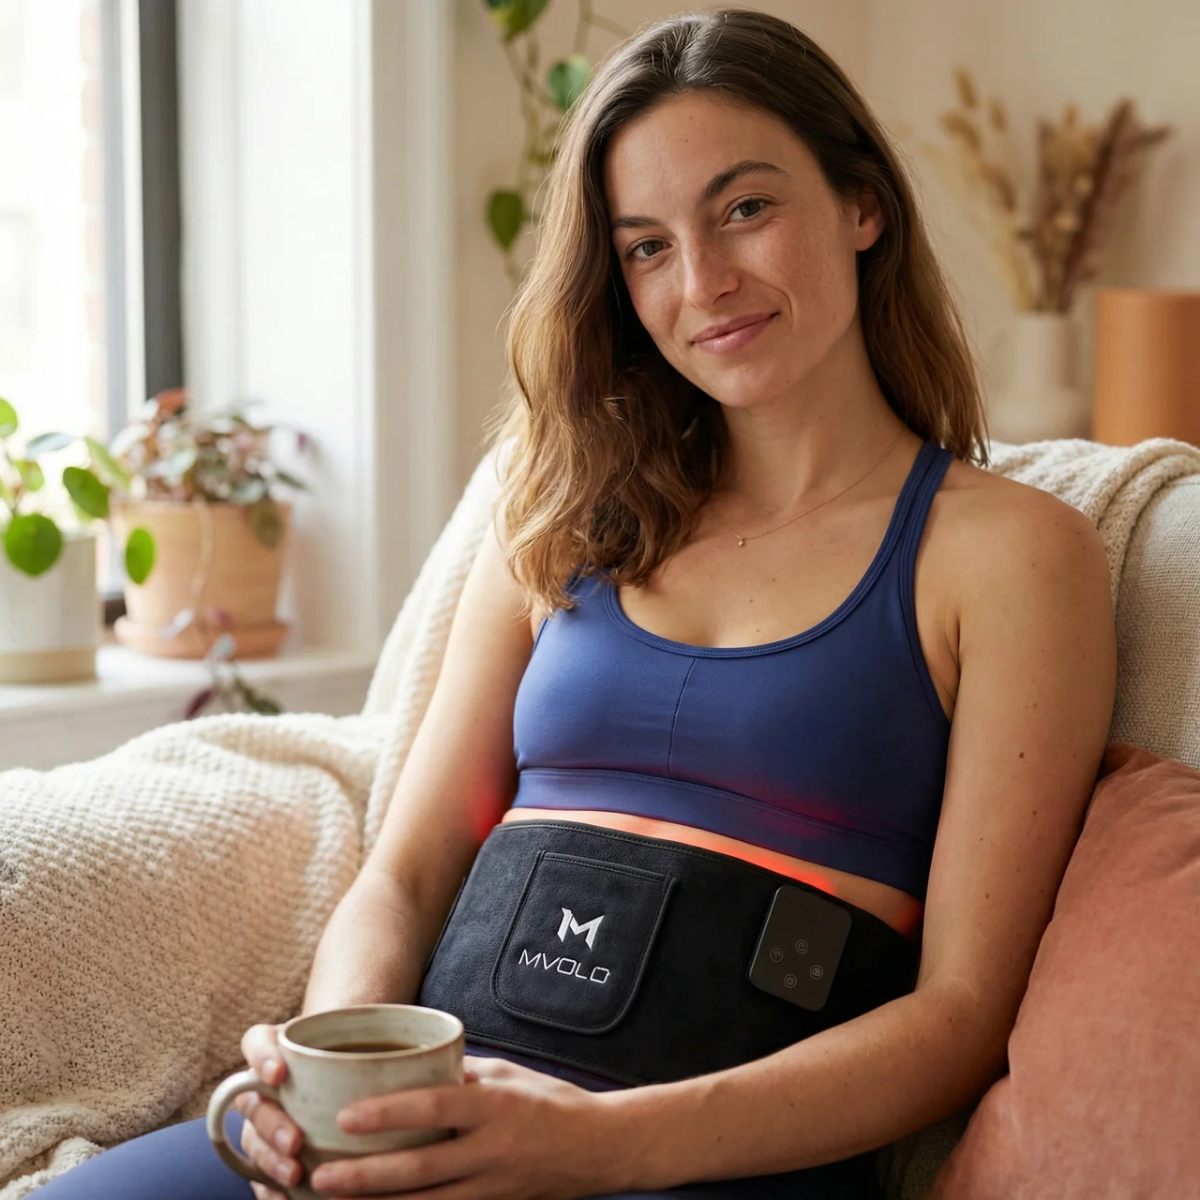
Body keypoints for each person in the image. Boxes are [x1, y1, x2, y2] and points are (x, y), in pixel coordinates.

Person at [34, 8, 1116, 1200]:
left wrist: (604, 1143)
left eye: (745, 209)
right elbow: (408, 871)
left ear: (863, 204)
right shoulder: (562, 514)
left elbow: (961, 1017)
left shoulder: (1012, 555)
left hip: (699, 1166)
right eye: (646, 246)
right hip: (428, 1128)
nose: (703, 282)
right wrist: (329, 1077)